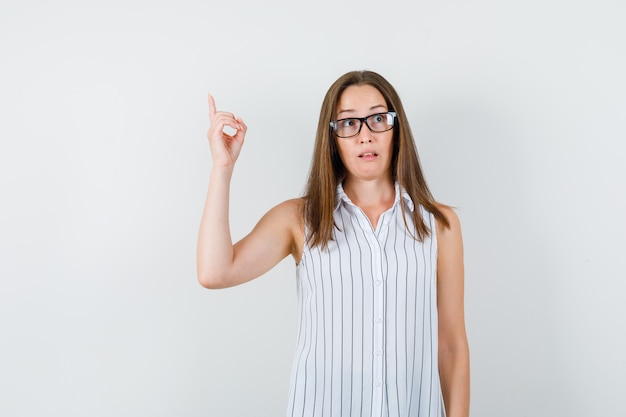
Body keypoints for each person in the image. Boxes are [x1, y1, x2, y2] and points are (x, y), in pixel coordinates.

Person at [197, 70, 470, 417]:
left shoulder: (439, 224)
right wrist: (222, 168)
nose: (365, 136)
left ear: (396, 128)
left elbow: (451, 346)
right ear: (333, 138)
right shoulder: (300, 220)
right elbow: (214, 272)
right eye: (348, 124)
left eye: (377, 119)